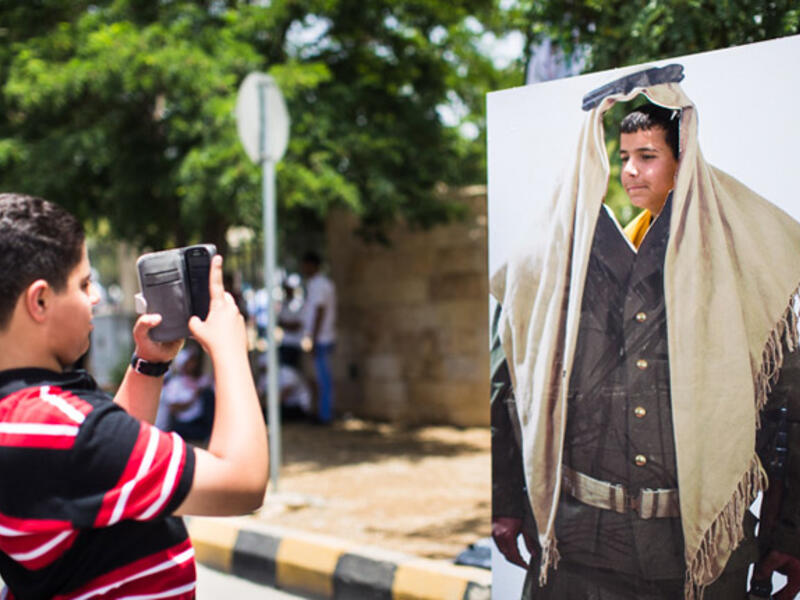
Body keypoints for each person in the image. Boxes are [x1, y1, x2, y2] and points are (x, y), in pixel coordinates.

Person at [490, 73, 800, 600]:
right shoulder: (549, 255)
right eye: (624, 155)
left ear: (683, 159)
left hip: (700, 554)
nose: (631, 171)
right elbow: (507, 388)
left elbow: (788, 406)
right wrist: (505, 502)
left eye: (648, 155)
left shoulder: (739, 255)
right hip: (577, 548)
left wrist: (790, 531)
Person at [0, 193, 267, 598]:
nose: (94, 297)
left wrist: (149, 364)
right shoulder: (60, 430)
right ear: (40, 300)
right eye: (84, 283)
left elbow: (103, 471)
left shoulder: (32, 419)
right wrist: (230, 347)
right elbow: (243, 481)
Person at [300, 251, 337, 424]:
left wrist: (313, 338)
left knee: (323, 379)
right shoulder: (318, 284)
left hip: (322, 338)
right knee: (320, 378)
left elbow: (320, 311)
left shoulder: (320, 285)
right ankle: (322, 412)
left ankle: (325, 414)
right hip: (321, 337)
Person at [156, 341, 215, 443]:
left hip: (201, 421)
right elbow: (173, 408)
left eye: (194, 361)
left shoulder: (201, 380)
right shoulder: (175, 384)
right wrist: (193, 398)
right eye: (190, 362)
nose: (193, 364)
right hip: (184, 424)